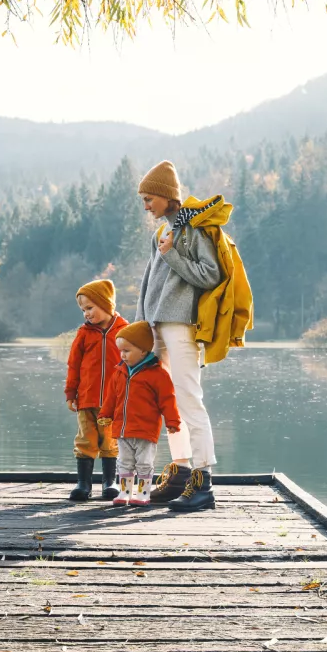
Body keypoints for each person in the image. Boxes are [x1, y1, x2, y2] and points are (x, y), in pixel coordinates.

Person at [135, 160, 222, 512]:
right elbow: (148, 283)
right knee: (166, 403)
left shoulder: (192, 232)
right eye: (142, 199)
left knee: (189, 400)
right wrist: (140, 324)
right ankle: (181, 473)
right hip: (155, 325)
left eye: (149, 198)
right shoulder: (162, 233)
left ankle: (204, 482)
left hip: (182, 326)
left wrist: (173, 258)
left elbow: (210, 275)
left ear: (167, 196)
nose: (145, 205)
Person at [99, 321, 180, 506]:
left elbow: (167, 399)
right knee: (124, 462)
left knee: (144, 464)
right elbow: (111, 397)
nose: (122, 355)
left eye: (127, 350)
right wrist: (105, 413)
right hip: (123, 428)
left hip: (145, 430)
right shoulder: (119, 372)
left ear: (143, 351)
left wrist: (172, 420)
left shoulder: (157, 374)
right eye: (121, 351)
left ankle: (143, 493)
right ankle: (124, 493)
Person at [65, 279, 128, 501]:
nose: (86, 314)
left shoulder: (124, 332)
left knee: (110, 441)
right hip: (86, 400)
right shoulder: (83, 334)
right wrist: (71, 393)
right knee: (86, 439)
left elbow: (133, 367)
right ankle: (83, 484)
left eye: (90, 308)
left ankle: (109, 482)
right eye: (83, 310)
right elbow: (74, 365)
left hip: (114, 402)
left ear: (106, 304)